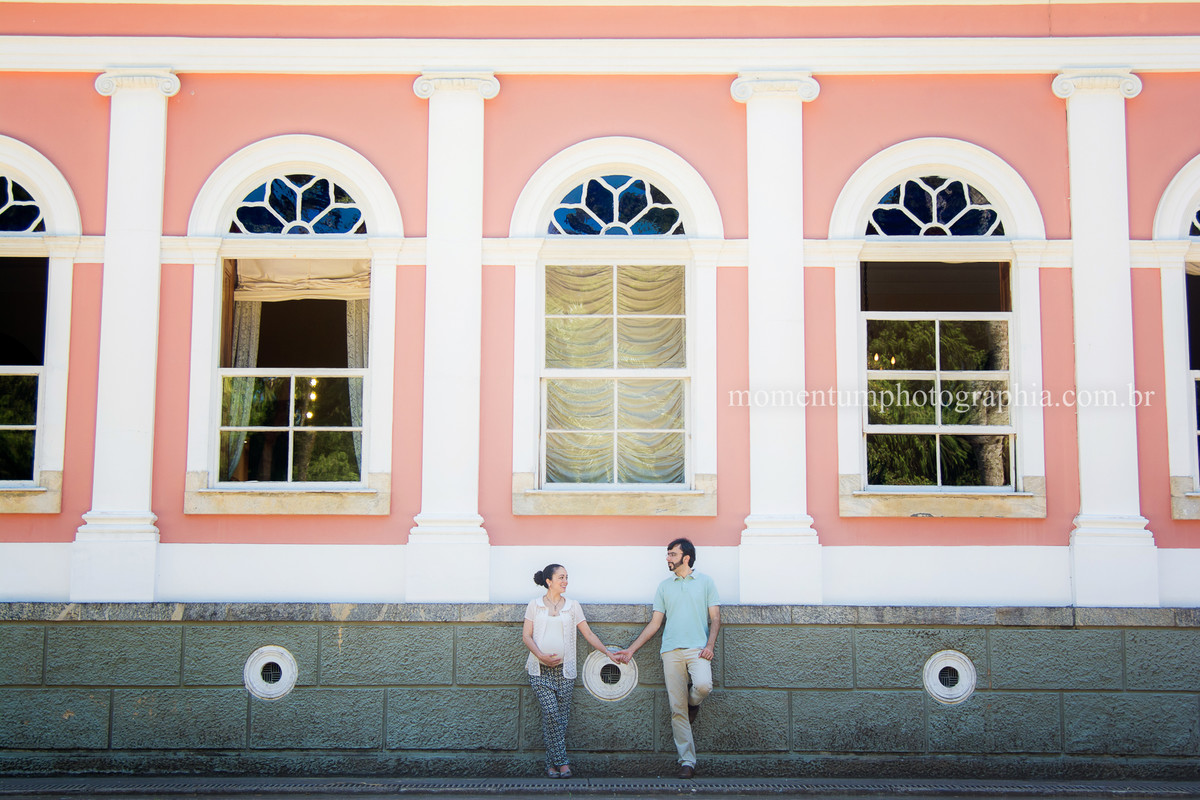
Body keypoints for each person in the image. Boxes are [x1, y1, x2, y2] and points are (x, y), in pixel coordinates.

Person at [611, 538, 720, 779]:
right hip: (670, 650)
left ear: (686, 557)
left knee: (703, 686)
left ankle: (694, 703)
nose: (668, 558)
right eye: (668, 554)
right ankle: (687, 761)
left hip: (698, 649)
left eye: (672, 554)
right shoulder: (664, 587)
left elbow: (716, 618)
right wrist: (631, 650)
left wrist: (710, 645)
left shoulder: (706, 582)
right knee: (676, 708)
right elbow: (655, 624)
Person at [522, 563, 613, 779]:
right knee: (551, 712)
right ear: (549, 581)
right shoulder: (535, 605)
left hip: (565, 670)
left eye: (567, 577)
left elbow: (588, 634)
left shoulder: (572, 606)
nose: (565, 581)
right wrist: (541, 656)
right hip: (539, 670)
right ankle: (562, 762)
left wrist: (607, 652)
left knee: (558, 719)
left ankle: (551, 765)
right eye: (561, 577)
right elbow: (526, 636)